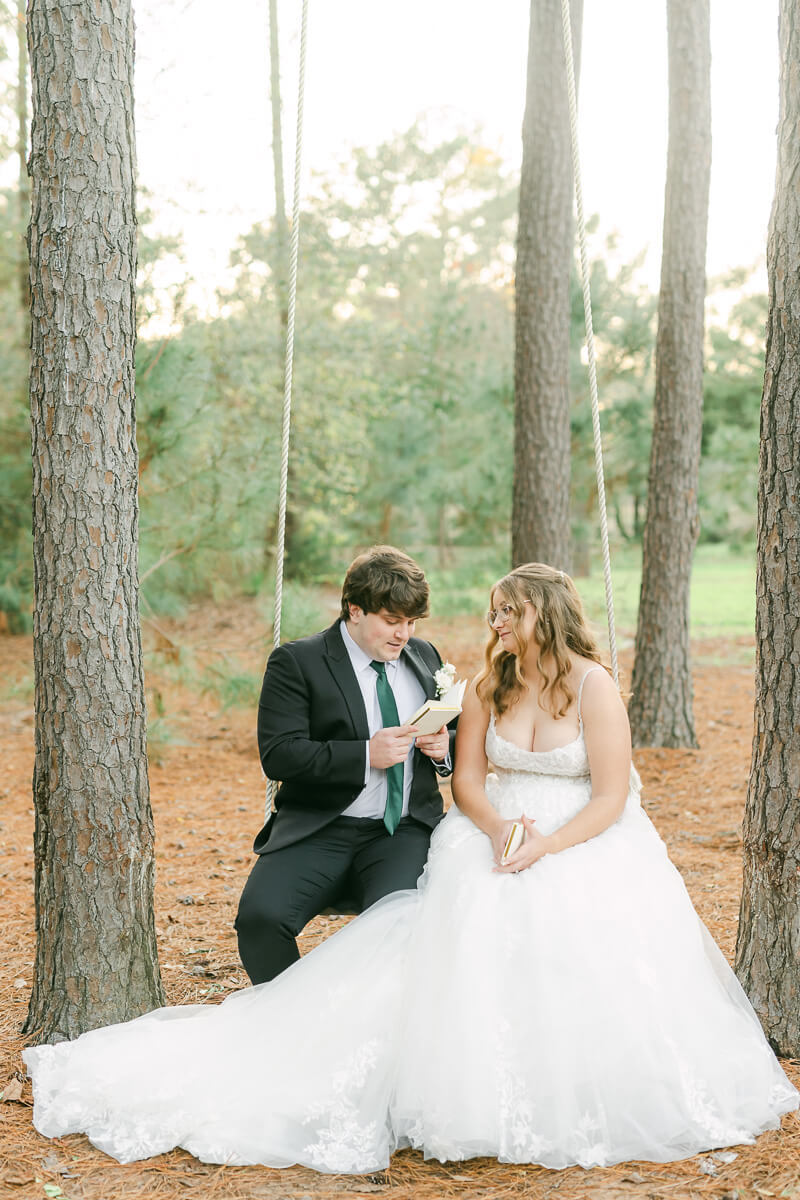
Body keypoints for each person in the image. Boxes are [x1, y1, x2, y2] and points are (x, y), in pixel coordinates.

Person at [25, 564, 797, 1173]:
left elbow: (612, 795)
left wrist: (544, 844)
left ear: (545, 617)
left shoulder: (592, 687)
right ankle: (325, 1043)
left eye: (507, 611)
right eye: (492, 610)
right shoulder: (482, 679)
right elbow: (465, 782)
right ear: (356, 611)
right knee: (423, 931)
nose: (492, 622)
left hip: (577, 837)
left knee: (566, 934)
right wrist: (496, 826)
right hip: (455, 828)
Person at [236, 545, 454, 983]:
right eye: (392, 622)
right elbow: (279, 753)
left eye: (411, 623)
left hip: (401, 830)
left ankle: (371, 1033)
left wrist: (442, 748)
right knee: (260, 920)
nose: (403, 635)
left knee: (397, 925)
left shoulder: (425, 656)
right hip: (321, 826)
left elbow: (457, 734)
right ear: (354, 610)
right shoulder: (299, 662)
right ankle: (287, 1021)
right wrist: (364, 755)